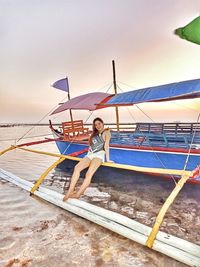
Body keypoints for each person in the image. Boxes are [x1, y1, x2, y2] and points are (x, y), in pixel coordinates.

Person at [63, 117, 112, 201]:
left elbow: (106, 146)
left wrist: (108, 159)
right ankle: (70, 191)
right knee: (77, 168)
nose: (98, 126)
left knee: (89, 174)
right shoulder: (94, 134)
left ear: (102, 123)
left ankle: (78, 194)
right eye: (96, 125)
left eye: (99, 124)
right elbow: (91, 146)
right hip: (90, 154)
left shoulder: (107, 132)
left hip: (99, 155)